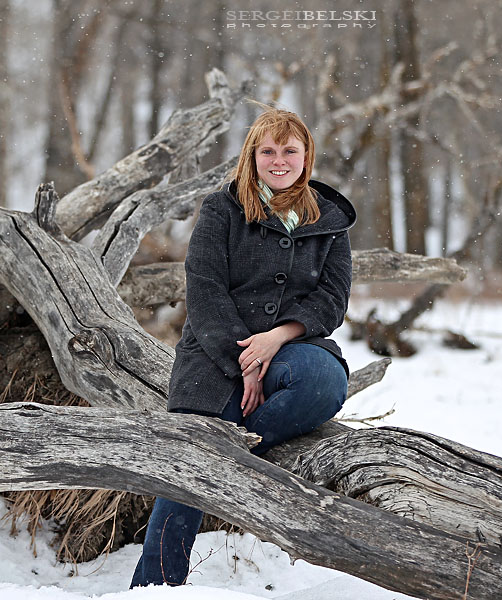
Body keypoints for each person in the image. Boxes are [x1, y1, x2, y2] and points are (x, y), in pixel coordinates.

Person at [130, 107, 356, 587]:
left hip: (293, 350)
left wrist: (277, 337)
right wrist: (245, 361)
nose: (279, 160)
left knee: (322, 382)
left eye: (289, 150)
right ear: (252, 157)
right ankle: (154, 588)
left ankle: (245, 446)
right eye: (268, 151)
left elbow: (332, 301)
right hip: (214, 354)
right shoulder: (221, 208)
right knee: (191, 462)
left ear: (306, 156)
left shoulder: (330, 219)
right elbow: (204, 288)